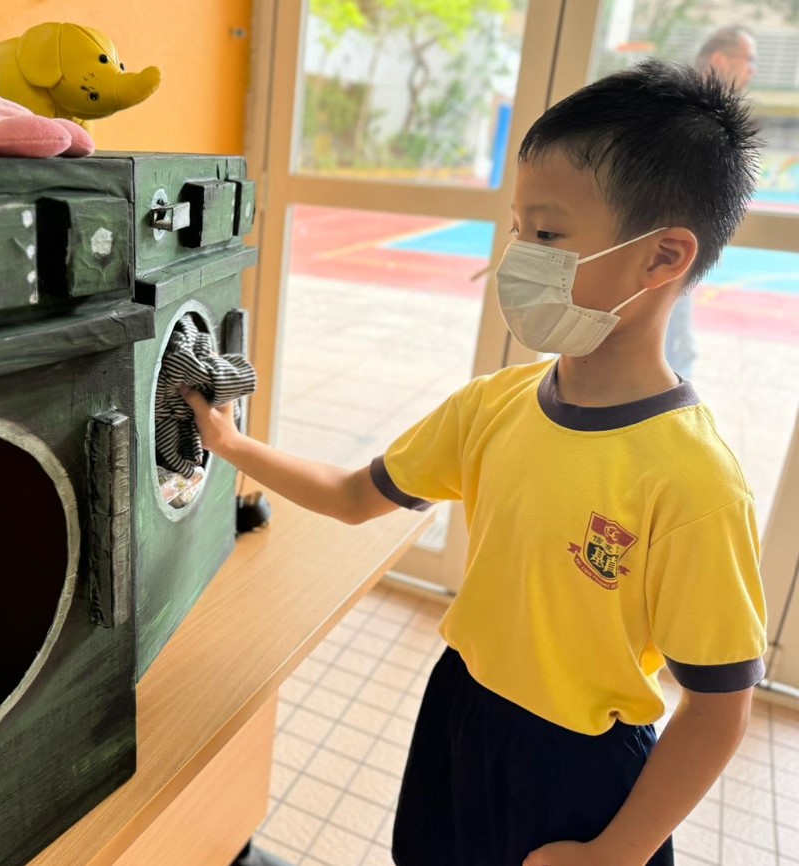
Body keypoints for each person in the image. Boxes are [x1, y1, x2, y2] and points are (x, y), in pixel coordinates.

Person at [185, 59, 767, 866]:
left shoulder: (694, 481)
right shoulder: (493, 406)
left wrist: (618, 853)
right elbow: (355, 497)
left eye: (548, 235)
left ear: (663, 257)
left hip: (580, 768)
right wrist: (233, 446)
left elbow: (718, 708)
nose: (518, 256)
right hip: (460, 707)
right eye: (520, 229)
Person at [665, 25, 757, 379]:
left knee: (676, 343)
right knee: (678, 346)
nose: (752, 71)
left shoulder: (701, 113)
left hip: (680, 247)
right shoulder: (689, 114)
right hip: (669, 246)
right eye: (748, 60)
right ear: (719, 59)